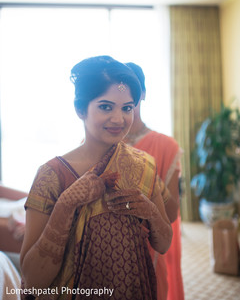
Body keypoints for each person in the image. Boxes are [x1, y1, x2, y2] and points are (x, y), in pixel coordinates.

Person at [20, 55, 173, 300]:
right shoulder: (51, 175)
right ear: (81, 109)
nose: (118, 119)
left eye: (127, 108)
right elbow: (32, 278)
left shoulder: (143, 165)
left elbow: (164, 245)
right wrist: (66, 205)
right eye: (105, 106)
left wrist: (151, 212)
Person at [125, 62, 184, 300]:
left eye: (133, 93)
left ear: (143, 94)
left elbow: (170, 214)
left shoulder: (166, 146)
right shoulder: (97, 145)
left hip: (149, 246)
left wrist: (151, 182)